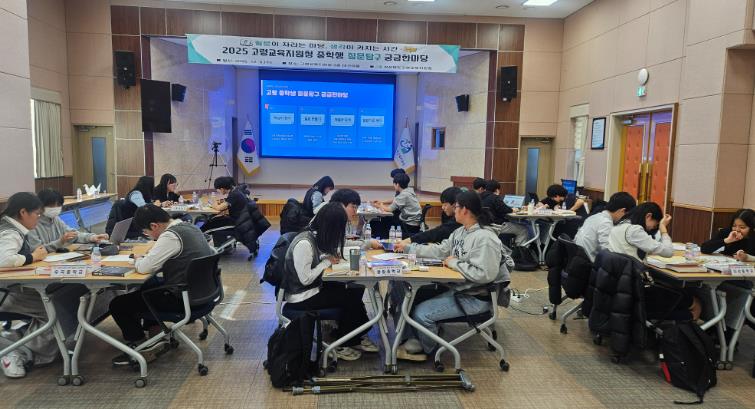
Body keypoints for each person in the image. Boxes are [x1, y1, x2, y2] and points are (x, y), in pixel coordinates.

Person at [396, 191, 509, 361]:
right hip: (460, 289)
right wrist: (408, 248)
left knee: (421, 313)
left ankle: (428, 349)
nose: (453, 211)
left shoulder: (485, 238)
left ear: (465, 210)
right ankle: (417, 337)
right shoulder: (461, 232)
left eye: (456, 207)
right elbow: (440, 250)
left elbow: (484, 274)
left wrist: (454, 263)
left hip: (475, 298)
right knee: (413, 296)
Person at [109, 204, 215, 366]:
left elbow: (144, 268)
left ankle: (141, 348)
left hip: (183, 299)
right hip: (203, 293)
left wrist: (136, 259)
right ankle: (156, 335)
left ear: (154, 226)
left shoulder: (170, 236)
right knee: (149, 285)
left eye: (146, 232)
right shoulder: (189, 227)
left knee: (119, 304)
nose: (148, 236)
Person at [282, 203, 378, 361]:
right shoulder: (304, 243)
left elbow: (314, 261)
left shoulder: (313, 236)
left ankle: (355, 335)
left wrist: (325, 258)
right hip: (301, 297)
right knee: (349, 298)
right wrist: (326, 262)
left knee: (354, 289)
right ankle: (344, 342)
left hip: (310, 289)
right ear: (331, 227)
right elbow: (305, 279)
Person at [608, 202, 701, 321]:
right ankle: (691, 321)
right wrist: (663, 229)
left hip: (622, 286)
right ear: (648, 216)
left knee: (676, 292)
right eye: (655, 224)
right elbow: (668, 251)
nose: (653, 228)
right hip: (638, 289)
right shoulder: (634, 230)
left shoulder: (619, 227)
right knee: (691, 300)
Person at [0, 193, 50, 378]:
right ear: (23, 212)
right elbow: (4, 260)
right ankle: (16, 352)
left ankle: (19, 343)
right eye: (37, 214)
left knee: (60, 301)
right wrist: (32, 257)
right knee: (56, 308)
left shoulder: (12, 228)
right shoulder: (10, 232)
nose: (39, 218)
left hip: (12, 288)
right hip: (6, 293)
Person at [700, 209, 755, 335]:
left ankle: (726, 331)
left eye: (742, 227)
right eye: (734, 225)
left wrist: (747, 257)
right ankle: (718, 328)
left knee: (738, 294)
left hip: (745, 280)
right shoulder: (727, 233)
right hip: (724, 276)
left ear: (752, 228)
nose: (737, 230)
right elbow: (705, 248)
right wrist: (727, 240)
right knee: (708, 288)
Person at [27, 189, 109, 252]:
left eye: (58, 205)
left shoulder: (55, 219)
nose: (55, 208)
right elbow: (38, 250)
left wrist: (92, 237)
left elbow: (73, 234)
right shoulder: (32, 224)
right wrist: (60, 241)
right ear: (40, 206)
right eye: (51, 206)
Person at [574, 192, 636, 261]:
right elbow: (608, 253)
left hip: (578, 258)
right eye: (627, 216)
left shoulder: (594, 217)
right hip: (589, 263)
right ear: (622, 211)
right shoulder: (606, 223)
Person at [395, 187, 462, 249]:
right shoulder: (446, 214)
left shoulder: (459, 221)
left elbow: (439, 232)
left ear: (455, 204)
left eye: (445, 205)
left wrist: (410, 240)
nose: (442, 207)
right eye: (442, 204)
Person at [314, 188, 381, 250]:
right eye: (353, 207)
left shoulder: (331, 212)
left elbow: (340, 242)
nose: (355, 211)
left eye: (356, 208)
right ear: (341, 205)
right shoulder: (331, 216)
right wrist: (369, 243)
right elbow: (340, 244)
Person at [479, 180, 529, 246]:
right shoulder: (495, 198)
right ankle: (520, 250)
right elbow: (506, 209)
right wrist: (513, 209)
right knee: (523, 229)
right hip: (496, 226)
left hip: (482, 225)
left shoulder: (479, 197)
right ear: (497, 190)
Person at [201, 176, 248, 245]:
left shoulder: (234, 194)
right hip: (239, 220)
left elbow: (219, 208)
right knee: (212, 219)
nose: (218, 191)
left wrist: (212, 203)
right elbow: (226, 205)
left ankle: (202, 243)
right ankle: (221, 246)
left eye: (218, 189)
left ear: (222, 189)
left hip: (238, 223)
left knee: (208, 226)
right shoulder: (235, 192)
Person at [373, 173, 421, 239]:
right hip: (415, 224)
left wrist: (379, 205)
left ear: (397, 184)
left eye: (394, 184)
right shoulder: (409, 191)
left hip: (409, 225)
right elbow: (396, 200)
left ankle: (382, 238)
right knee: (387, 218)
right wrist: (382, 202)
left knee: (383, 220)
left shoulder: (403, 195)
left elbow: (389, 209)